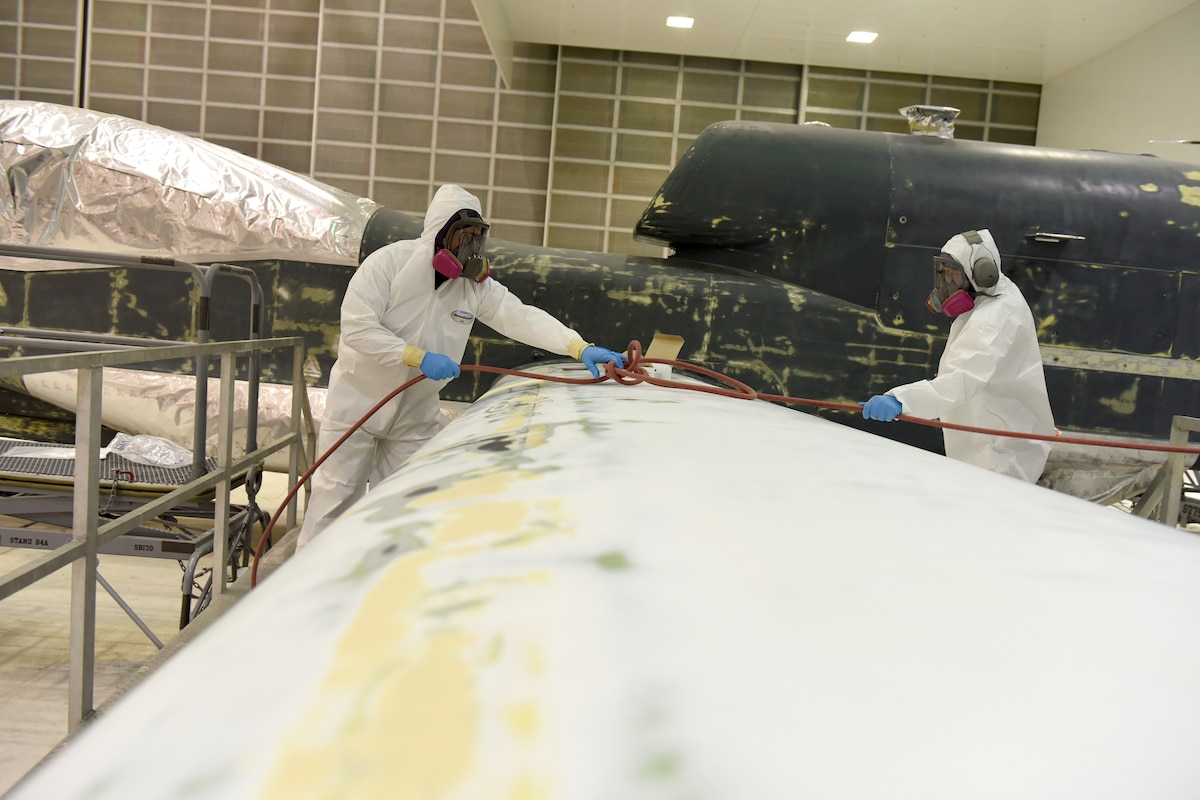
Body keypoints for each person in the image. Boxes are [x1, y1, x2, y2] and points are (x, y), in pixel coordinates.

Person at [297, 184, 627, 548]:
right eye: (463, 236)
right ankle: (305, 580)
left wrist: (577, 346)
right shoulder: (387, 265)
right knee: (334, 503)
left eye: (476, 237)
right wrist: (416, 357)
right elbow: (357, 328)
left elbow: (520, 316)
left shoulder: (473, 287)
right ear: (441, 233)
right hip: (357, 404)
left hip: (414, 413)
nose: (470, 246)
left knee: (402, 509)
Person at [859, 229, 1054, 483]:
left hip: (1001, 455)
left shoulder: (994, 316)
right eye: (943, 274)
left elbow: (960, 379)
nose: (946, 284)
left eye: (953, 275)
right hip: (986, 439)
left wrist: (901, 401)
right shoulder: (988, 295)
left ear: (982, 274)